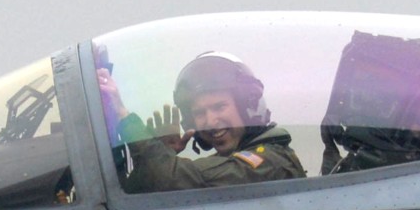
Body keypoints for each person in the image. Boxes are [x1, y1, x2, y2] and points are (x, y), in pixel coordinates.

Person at [100, 51, 306, 193]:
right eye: (199, 113)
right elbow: (142, 193)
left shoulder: (269, 163)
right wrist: (164, 153)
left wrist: (123, 116)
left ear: (246, 106)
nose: (210, 121)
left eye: (219, 107)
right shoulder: (227, 161)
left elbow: (173, 179)